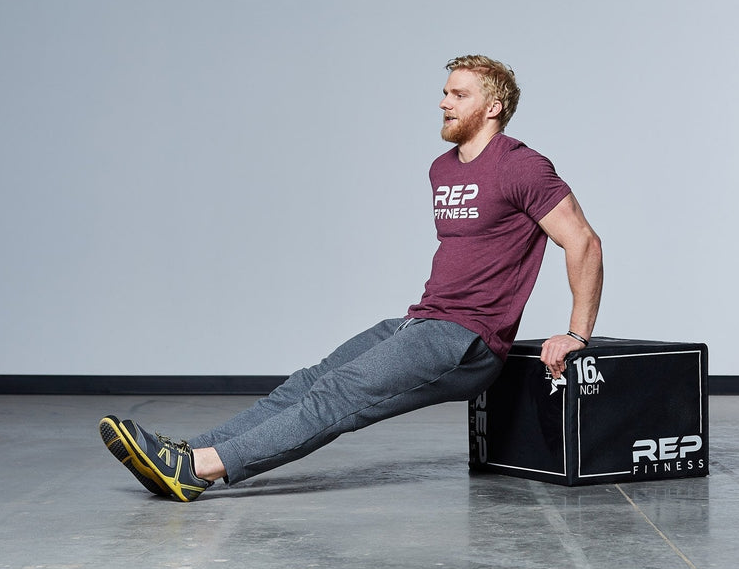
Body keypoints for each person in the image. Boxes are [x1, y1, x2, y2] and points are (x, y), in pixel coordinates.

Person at [99, 54, 604, 502]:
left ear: (492, 107)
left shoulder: (521, 166)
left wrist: (577, 332)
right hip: (421, 322)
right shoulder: (442, 169)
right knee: (307, 382)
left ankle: (199, 470)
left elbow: (583, 240)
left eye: (458, 94)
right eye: (444, 92)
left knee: (338, 394)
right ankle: (193, 450)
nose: (443, 102)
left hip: (467, 338)